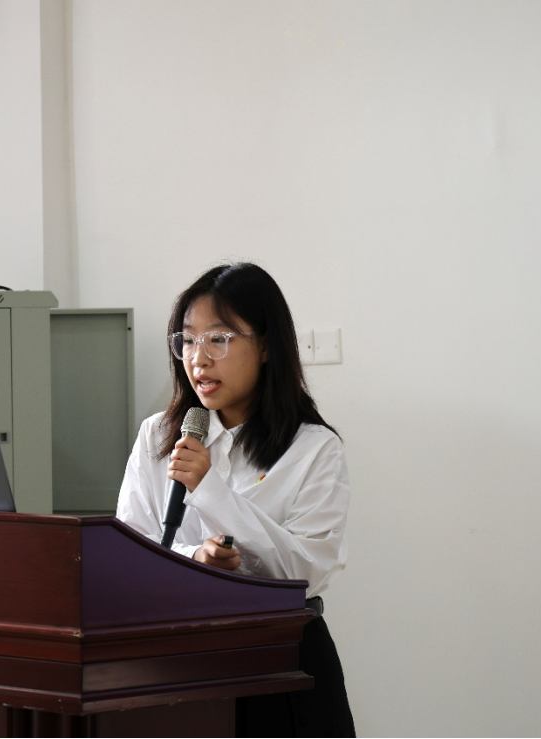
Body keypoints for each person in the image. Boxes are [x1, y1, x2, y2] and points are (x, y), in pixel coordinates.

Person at [116, 262, 356, 738]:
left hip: (282, 661)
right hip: (177, 659)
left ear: (266, 345)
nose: (199, 359)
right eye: (187, 340)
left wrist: (210, 490)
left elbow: (306, 571)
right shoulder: (158, 437)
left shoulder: (313, 448)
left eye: (219, 339)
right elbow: (129, 554)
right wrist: (196, 560)